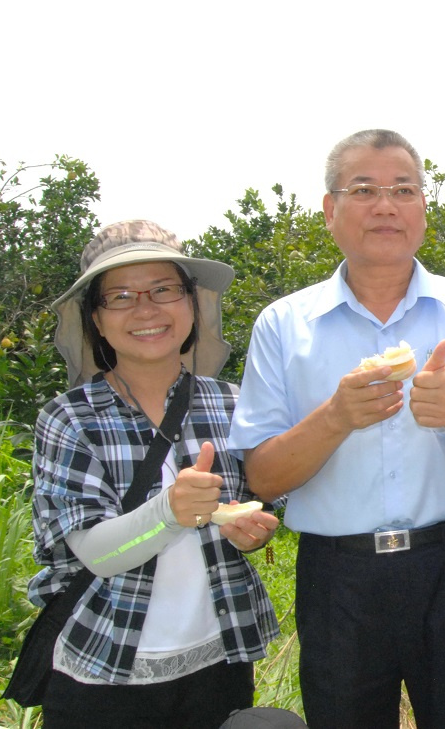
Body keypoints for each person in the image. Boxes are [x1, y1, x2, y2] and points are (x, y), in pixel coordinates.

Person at [229, 129, 445, 729]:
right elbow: (262, 476)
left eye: (404, 189)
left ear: (423, 210)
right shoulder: (284, 325)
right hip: (339, 578)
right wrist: (335, 418)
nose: (386, 205)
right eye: (364, 190)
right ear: (330, 210)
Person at [29, 220, 280, 729]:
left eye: (164, 289)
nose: (146, 310)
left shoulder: (232, 404)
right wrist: (168, 510)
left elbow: (262, 505)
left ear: (192, 303)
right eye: (120, 296)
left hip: (220, 657)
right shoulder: (69, 418)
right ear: (96, 319)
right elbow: (98, 555)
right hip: (104, 668)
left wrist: (250, 533)